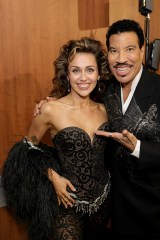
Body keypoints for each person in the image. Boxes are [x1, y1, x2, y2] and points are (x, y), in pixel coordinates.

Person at [33, 19, 160, 240]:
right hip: (114, 208)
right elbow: (79, 95)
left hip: (155, 210)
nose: (121, 58)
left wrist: (139, 148)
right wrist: (51, 103)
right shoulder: (106, 89)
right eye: (114, 50)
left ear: (142, 51)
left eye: (130, 49)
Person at [2, 37, 112, 240]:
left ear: (99, 74)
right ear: (67, 75)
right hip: (67, 204)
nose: (83, 77)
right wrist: (53, 176)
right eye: (75, 70)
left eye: (90, 69)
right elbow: (26, 150)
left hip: (104, 200)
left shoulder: (107, 110)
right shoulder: (50, 109)